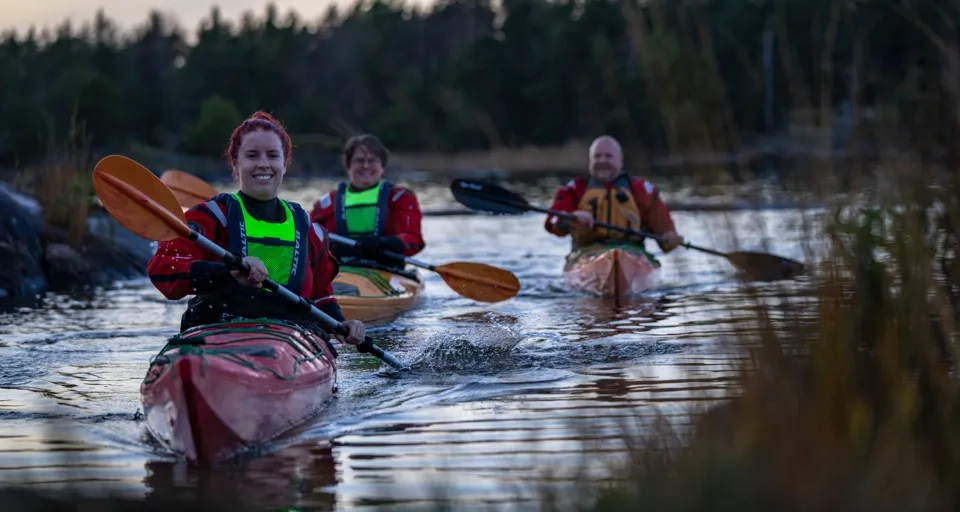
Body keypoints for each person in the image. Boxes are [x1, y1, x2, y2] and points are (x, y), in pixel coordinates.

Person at [147, 111, 366, 347]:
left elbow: (321, 296)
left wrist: (342, 325)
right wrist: (227, 271)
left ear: (284, 163)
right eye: (252, 155)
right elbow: (163, 270)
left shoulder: (310, 231)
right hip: (217, 337)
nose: (263, 164)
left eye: (273, 155)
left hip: (290, 344)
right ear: (236, 162)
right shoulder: (212, 216)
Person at [544, 135, 685, 253]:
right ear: (590, 161)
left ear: (621, 160)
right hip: (586, 253)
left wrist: (671, 239)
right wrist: (571, 219)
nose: (602, 161)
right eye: (597, 156)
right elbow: (552, 223)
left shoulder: (643, 191)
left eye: (608, 156)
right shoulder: (574, 189)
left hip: (632, 253)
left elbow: (666, 235)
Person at [311, 134, 425, 268]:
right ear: (348, 166)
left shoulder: (401, 198)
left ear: (382, 166)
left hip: (386, 270)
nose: (366, 166)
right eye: (359, 160)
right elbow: (307, 237)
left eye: (372, 160)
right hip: (340, 272)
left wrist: (385, 243)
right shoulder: (327, 203)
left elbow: (414, 241)